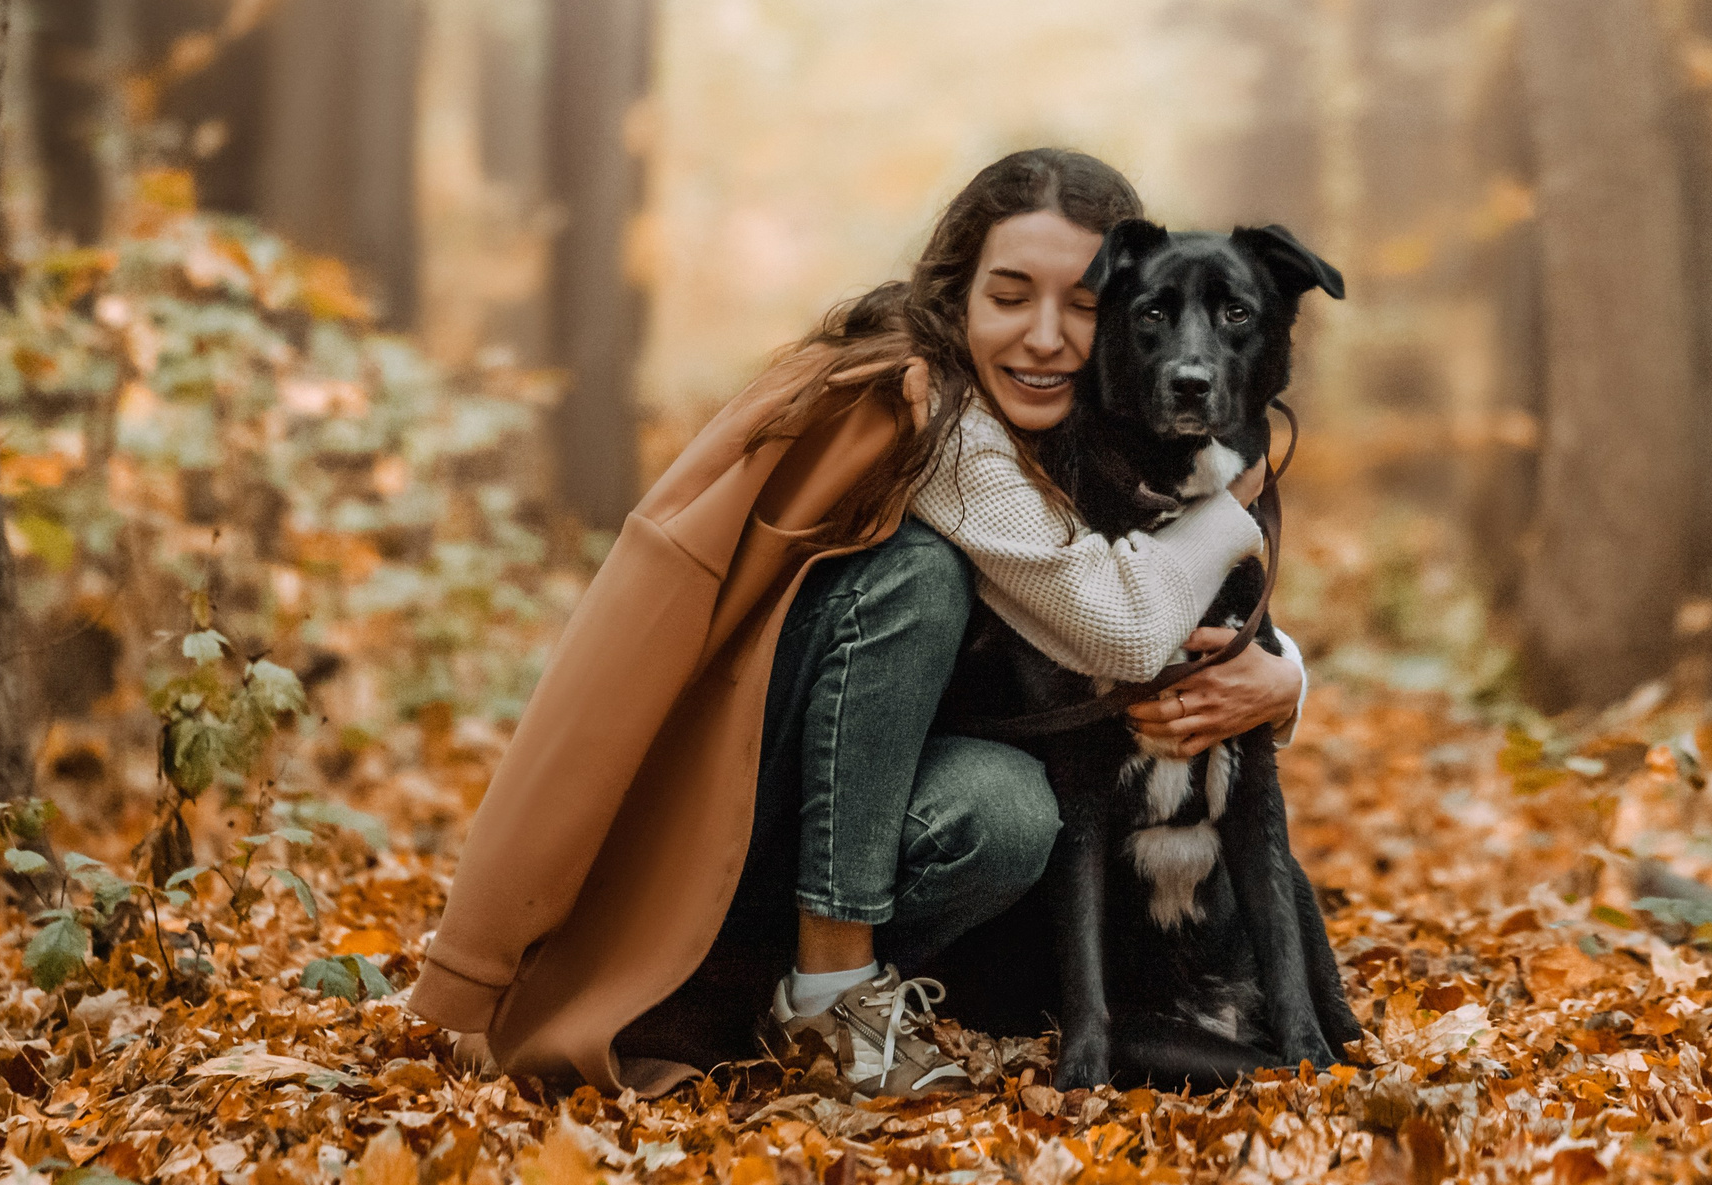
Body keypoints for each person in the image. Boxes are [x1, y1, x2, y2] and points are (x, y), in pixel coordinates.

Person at [406, 149, 1308, 1096]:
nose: (1045, 336)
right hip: (737, 824)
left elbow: (1139, 598)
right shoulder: (933, 414)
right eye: (1009, 296)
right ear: (956, 297)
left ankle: (764, 996)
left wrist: (1284, 682)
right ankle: (829, 990)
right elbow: (1120, 628)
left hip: (852, 819)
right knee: (915, 577)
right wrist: (1229, 514)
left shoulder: (1075, 431)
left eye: (1080, 306)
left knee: (1003, 814)